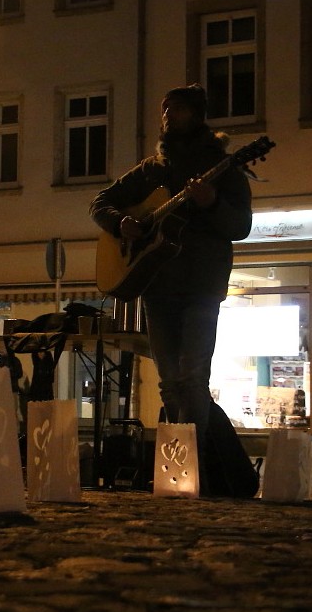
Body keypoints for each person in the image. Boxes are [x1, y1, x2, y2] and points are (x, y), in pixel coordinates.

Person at [90, 84, 255, 491]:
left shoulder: (225, 166)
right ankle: (177, 464)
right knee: (168, 380)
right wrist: (121, 223)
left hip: (202, 284)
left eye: (176, 109)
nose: (167, 115)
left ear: (197, 114)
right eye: (164, 108)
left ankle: (196, 470)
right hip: (158, 284)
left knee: (193, 378)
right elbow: (101, 203)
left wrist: (212, 202)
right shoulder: (152, 169)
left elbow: (241, 226)